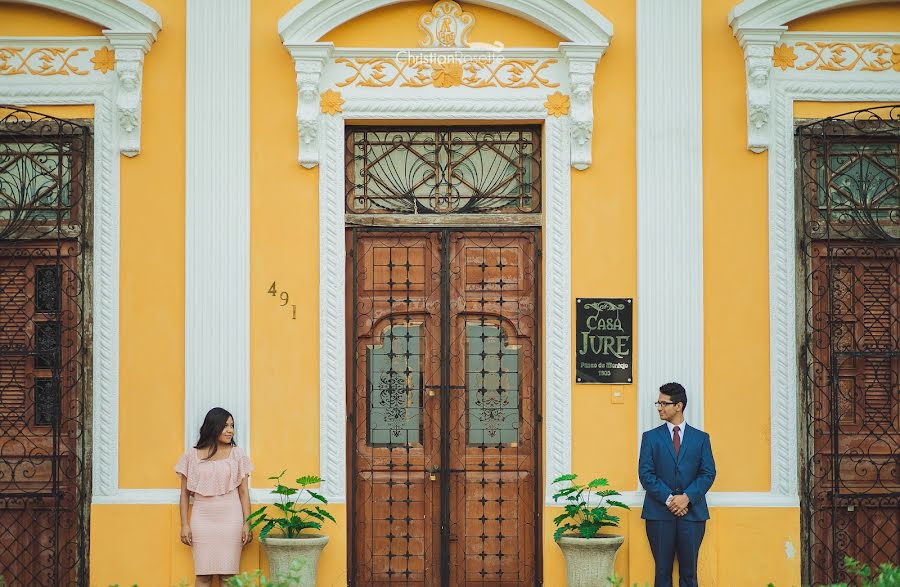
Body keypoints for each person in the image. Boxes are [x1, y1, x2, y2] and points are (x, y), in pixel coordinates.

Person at [638, 382, 716, 587]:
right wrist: (671, 499)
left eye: (664, 403)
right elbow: (645, 474)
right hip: (658, 514)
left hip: (693, 515)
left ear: (678, 406)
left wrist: (687, 498)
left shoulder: (701, 438)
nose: (659, 408)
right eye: (658, 403)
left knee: (689, 574)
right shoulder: (650, 438)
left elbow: (708, 473)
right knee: (662, 573)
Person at [176, 407, 254, 586]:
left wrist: (247, 523)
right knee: (203, 575)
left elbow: (243, 492)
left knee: (228, 576)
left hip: (231, 519)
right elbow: (184, 494)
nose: (230, 430)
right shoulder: (191, 455)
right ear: (213, 426)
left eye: (232, 425)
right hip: (202, 519)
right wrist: (184, 525)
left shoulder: (238, 454)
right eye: (225, 425)